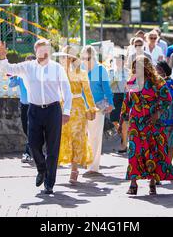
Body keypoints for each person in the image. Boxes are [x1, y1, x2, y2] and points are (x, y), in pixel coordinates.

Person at [0, 39, 72, 195]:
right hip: (34, 110)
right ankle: (41, 169)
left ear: (49, 52)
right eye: (40, 51)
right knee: (33, 144)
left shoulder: (57, 68)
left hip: (53, 110)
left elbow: (67, 90)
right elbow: (7, 69)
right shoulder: (27, 67)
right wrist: (2, 56)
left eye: (45, 51)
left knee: (53, 148)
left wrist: (66, 111)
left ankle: (49, 183)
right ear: (36, 51)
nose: (43, 54)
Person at [118, 56, 173, 195]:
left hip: (153, 122)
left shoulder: (157, 82)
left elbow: (167, 99)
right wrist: (121, 122)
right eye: (134, 66)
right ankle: (133, 183)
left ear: (146, 67)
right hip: (136, 123)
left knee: (153, 151)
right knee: (134, 151)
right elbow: (127, 103)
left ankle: (152, 182)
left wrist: (158, 112)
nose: (136, 69)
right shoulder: (131, 81)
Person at [55, 46, 97, 184]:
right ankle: (57, 165)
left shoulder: (81, 72)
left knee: (76, 137)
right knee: (63, 136)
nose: (63, 59)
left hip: (78, 107)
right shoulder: (58, 72)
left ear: (72, 58)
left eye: (66, 56)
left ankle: (74, 169)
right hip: (62, 106)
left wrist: (91, 108)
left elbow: (88, 91)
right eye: (62, 56)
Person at [81, 45, 114, 175]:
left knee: (95, 137)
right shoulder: (81, 69)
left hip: (97, 107)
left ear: (93, 57)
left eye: (88, 58)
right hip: (81, 107)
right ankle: (84, 161)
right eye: (83, 58)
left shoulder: (100, 69)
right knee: (82, 136)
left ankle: (93, 167)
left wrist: (110, 103)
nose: (85, 60)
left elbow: (106, 88)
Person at [8, 54, 36, 163]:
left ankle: (27, 153)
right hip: (24, 106)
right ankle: (36, 149)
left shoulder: (36, 76)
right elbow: (11, 84)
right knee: (26, 129)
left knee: (31, 130)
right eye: (27, 62)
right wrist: (13, 75)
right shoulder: (20, 76)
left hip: (34, 105)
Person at [109, 53, 130, 153]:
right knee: (114, 119)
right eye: (116, 60)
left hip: (125, 96)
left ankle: (124, 143)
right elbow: (110, 85)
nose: (118, 62)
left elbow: (129, 84)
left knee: (124, 119)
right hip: (115, 95)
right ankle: (123, 135)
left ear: (124, 61)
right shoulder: (111, 71)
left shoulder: (127, 72)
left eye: (120, 60)